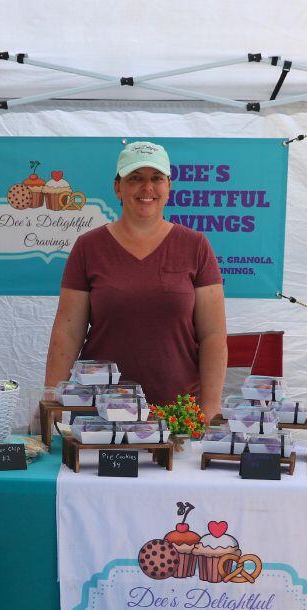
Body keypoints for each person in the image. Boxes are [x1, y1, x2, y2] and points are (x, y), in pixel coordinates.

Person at [45, 141, 228, 418]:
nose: (147, 188)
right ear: (118, 187)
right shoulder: (88, 247)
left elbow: (213, 335)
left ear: (169, 186)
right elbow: (67, 333)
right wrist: (51, 402)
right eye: (135, 179)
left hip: (178, 414)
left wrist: (211, 409)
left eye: (156, 178)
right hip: (101, 415)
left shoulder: (196, 245)